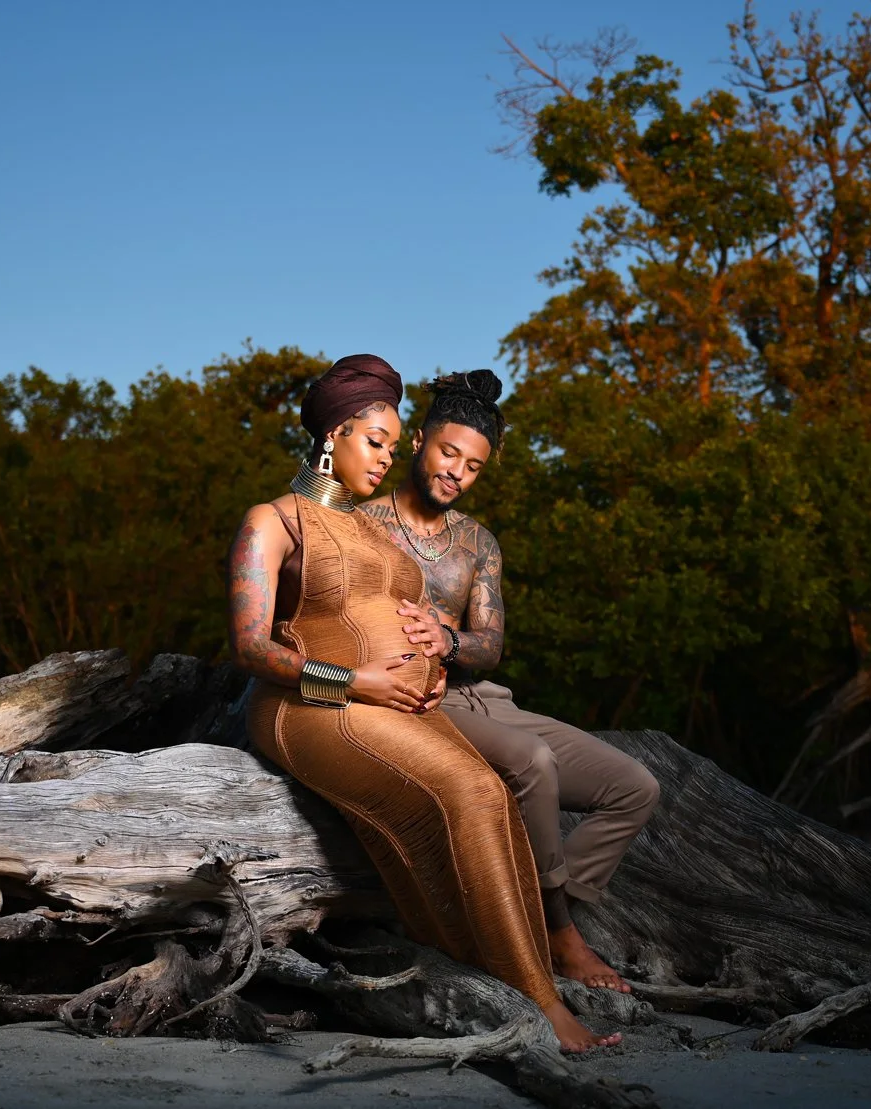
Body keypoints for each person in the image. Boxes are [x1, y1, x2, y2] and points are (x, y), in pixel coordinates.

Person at [226, 354, 619, 1052]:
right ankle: (538, 1004)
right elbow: (251, 649)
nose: (384, 458)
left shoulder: (370, 529)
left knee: (492, 797)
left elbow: (419, 623)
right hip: (307, 703)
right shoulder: (273, 519)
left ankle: (500, 974)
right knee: (468, 788)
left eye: (390, 443)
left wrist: (432, 667)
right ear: (333, 435)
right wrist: (356, 682)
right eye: (373, 441)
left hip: (396, 701)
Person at [360, 370, 659, 994]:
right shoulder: (362, 525)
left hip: (482, 696)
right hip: (419, 701)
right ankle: (559, 938)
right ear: (418, 442)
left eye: (473, 466)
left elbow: (489, 646)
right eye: (448, 453)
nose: (456, 472)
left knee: (634, 786)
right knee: (532, 760)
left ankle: (533, 913)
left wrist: (450, 637)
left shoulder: (478, 542)